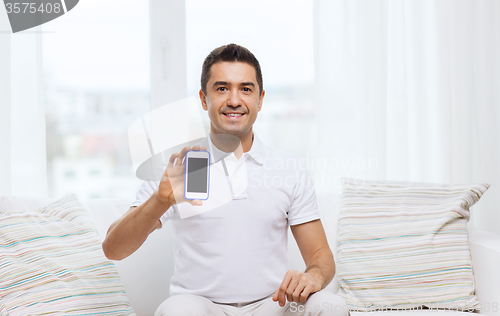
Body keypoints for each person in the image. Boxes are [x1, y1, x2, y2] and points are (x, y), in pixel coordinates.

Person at [102, 44, 349, 316]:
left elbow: (320, 257)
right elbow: (113, 248)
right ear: (204, 99)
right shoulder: (177, 168)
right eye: (222, 88)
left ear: (260, 99)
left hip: (274, 305)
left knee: (332, 306)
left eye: (245, 89)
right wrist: (160, 201)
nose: (234, 100)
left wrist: (312, 277)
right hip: (200, 306)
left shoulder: (289, 169)